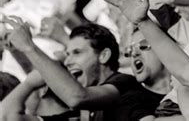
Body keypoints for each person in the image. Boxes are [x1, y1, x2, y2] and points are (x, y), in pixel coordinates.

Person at [2, 19, 155, 121]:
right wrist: (29, 83)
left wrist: (29, 47)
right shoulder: (82, 114)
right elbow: (7, 117)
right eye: (67, 54)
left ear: (103, 55)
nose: (68, 61)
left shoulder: (124, 83)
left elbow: (76, 97)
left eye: (77, 53)